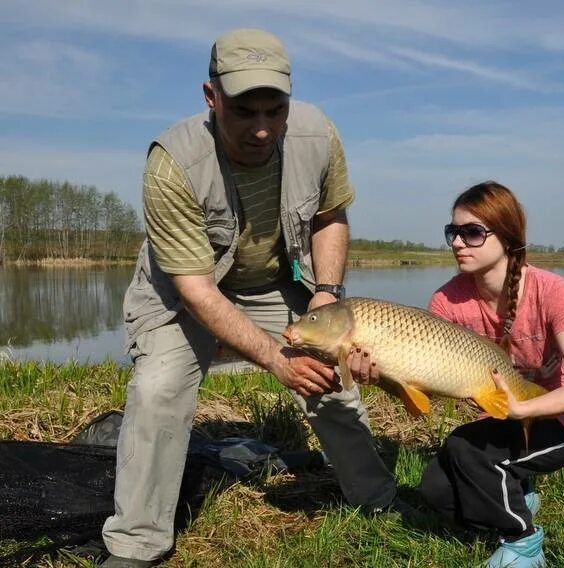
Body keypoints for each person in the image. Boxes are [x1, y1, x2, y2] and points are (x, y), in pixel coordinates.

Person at [101, 28, 399, 567]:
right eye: (244, 111)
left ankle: (379, 502)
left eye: (274, 110)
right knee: (159, 386)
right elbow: (195, 287)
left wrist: (326, 294)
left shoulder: (318, 134)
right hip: (185, 290)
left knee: (332, 382)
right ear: (211, 97)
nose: (262, 129)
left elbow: (331, 216)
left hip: (276, 283)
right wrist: (272, 356)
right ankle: (137, 543)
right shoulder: (172, 162)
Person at [349, 181, 564, 568]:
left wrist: (523, 409)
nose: (457, 242)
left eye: (472, 233)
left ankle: (523, 540)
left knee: (462, 450)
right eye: (453, 232)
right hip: (499, 415)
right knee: (436, 490)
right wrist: (383, 377)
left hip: (559, 417)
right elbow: (426, 396)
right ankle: (515, 489)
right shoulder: (445, 301)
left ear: (507, 238)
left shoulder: (553, 291)